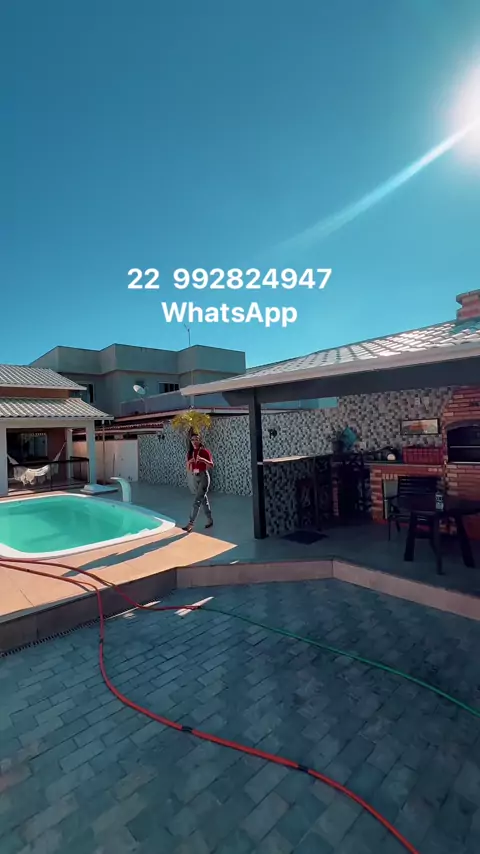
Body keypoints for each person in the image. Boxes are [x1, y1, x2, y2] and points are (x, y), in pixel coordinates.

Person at [182, 433, 214, 533]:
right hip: (195, 477)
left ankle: (190, 523)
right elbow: (188, 468)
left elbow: (211, 465)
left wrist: (203, 460)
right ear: (190, 441)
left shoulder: (204, 451)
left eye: (196, 439)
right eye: (192, 440)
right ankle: (210, 520)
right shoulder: (190, 453)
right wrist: (189, 462)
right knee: (203, 499)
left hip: (203, 476)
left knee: (197, 500)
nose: (194, 441)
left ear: (200, 440)